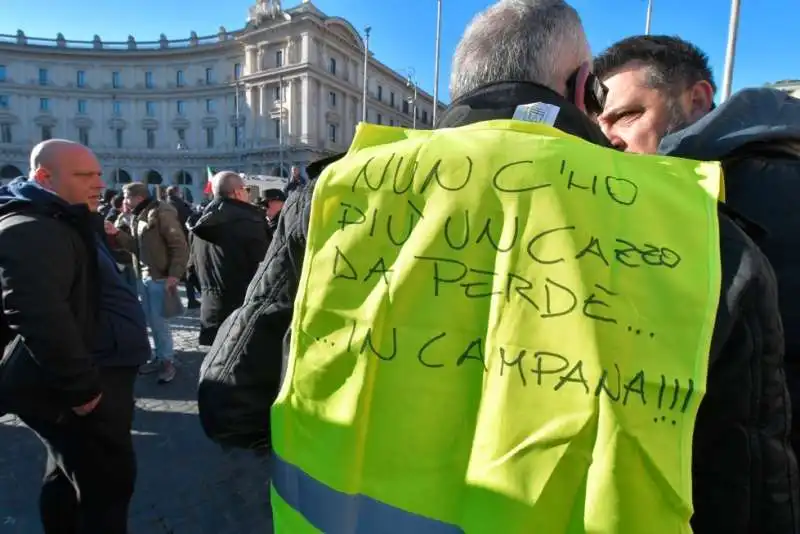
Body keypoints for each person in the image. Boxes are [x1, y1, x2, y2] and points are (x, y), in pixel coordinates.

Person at [199, 1, 797, 531]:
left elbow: (230, 403)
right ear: (581, 83)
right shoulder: (694, 226)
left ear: (462, 85)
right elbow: (746, 493)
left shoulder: (335, 192)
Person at [594, 34, 800, 532]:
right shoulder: (645, 202)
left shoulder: (737, 196)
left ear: (698, 100)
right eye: (601, 121)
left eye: (627, 115)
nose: (609, 137)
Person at [0, 139, 150, 534]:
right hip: (87, 382)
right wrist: (81, 388)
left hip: (97, 367)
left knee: (68, 475)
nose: (99, 183)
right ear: (43, 177)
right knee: (107, 487)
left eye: (99, 173)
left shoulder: (62, 219)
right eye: (85, 175)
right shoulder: (31, 228)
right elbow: (36, 314)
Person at [106, 181, 188, 384]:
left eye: (127, 196)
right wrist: (117, 232)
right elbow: (136, 247)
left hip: (159, 276)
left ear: (138, 197)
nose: (124, 200)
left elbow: (178, 244)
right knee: (152, 321)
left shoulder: (161, 212)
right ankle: (160, 357)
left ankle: (167, 361)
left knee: (160, 322)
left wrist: (174, 274)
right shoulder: (139, 215)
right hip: (143, 275)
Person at [187, 171, 270, 346]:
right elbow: (266, 269)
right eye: (247, 189)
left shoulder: (199, 222)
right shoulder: (250, 222)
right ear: (238, 192)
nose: (248, 193)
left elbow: (191, 269)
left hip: (211, 309)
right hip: (243, 312)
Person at [165, 185, 199, 309]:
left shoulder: (164, 206)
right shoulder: (182, 205)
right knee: (188, 271)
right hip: (183, 240)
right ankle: (191, 300)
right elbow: (191, 220)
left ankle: (171, 302)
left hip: (169, 241)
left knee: (172, 272)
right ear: (177, 193)